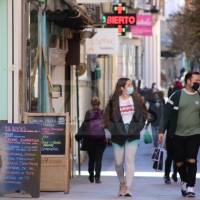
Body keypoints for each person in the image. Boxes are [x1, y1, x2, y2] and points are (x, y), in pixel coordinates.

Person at [103, 78, 149, 197]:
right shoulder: (113, 102)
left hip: (132, 133)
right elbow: (107, 119)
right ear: (122, 88)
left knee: (129, 160)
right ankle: (122, 183)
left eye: (131, 84)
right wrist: (114, 130)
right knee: (118, 162)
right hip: (118, 134)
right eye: (128, 85)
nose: (131, 86)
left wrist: (136, 128)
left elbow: (143, 117)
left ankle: (128, 187)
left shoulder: (137, 100)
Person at [158, 71, 200, 197]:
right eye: (196, 81)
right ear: (188, 81)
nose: (198, 83)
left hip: (195, 133)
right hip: (177, 134)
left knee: (191, 159)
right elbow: (166, 114)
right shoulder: (176, 96)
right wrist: (161, 131)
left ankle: (191, 187)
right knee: (179, 163)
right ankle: (185, 181)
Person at [76, 97, 107, 184]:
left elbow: (85, 126)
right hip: (101, 140)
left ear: (91, 104)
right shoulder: (103, 112)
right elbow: (106, 125)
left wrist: (81, 136)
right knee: (99, 159)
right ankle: (97, 177)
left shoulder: (88, 113)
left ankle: (91, 176)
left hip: (90, 140)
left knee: (91, 159)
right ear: (99, 103)